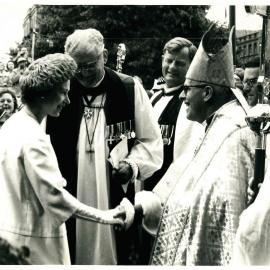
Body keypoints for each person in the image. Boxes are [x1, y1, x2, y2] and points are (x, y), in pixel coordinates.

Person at [128, 24, 257, 265]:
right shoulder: (218, 123)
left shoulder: (233, 132)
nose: (181, 96)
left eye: (187, 90)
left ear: (207, 93)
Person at [0, 53, 132, 265]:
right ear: (44, 94)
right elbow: (56, 198)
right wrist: (106, 216)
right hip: (35, 247)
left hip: (10, 236)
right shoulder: (34, 138)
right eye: (63, 93)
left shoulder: (11, 125)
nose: (68, 101)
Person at [46, 28, 163, 265]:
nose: (84, 73)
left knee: (113, 250)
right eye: (77, 66)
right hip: (69, 186)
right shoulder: (60, 89)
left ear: (105, 56)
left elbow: (151, 140)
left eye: (90, 64)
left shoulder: (128, 88)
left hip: (111, 189)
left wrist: (132, 166)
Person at [140, 37, 204, 264]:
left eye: (180, 63)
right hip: (146, 192)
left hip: (170, 194)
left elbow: (189, 154)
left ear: (190, 66)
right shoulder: (154, 97)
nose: (172, 67)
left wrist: (161, 194)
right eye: (169, 61)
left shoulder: (190, 103)